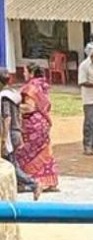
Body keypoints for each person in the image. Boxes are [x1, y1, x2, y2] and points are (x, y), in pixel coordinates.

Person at [17, 65, 59, 193]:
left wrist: (14, 106)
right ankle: (48, 181)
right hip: (43, 123)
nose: (23, 73)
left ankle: (29, 181)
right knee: (44, 151)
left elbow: (30, 107)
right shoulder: (43, 85)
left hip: (33, 126)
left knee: (23, 152)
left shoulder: (31, 88)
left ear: (32, 73)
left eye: (25, 71)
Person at [0, 70, 41, 199]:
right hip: (16, 132)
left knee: (11, 165)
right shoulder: (14, 94)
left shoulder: (4, 97)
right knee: (12, 163)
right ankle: (20, 186)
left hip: (10, 135)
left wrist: (3, 139)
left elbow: (7, 118)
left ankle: (33, 184)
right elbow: (18, 115)